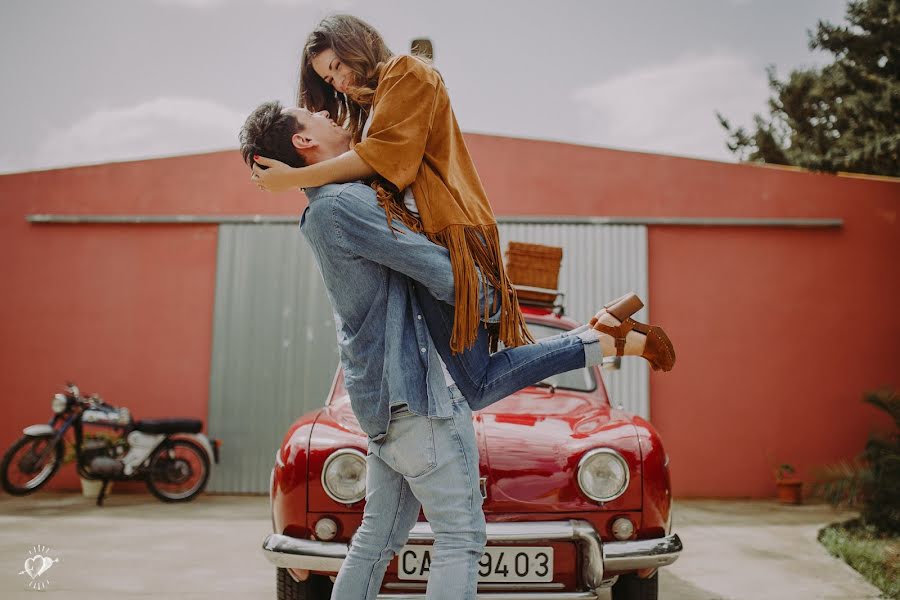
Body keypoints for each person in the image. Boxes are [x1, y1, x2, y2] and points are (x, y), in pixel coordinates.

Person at [240, 101, 675, 600]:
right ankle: (602, 338)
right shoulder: (342, 204)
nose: (324, 111)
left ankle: (601, 339)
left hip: (383, 407)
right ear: (303, 142)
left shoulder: (323, 207)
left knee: (375, 542)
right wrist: (492, 301)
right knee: (461, 538)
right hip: (417, 402)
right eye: (310, 114)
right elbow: (440, 269)